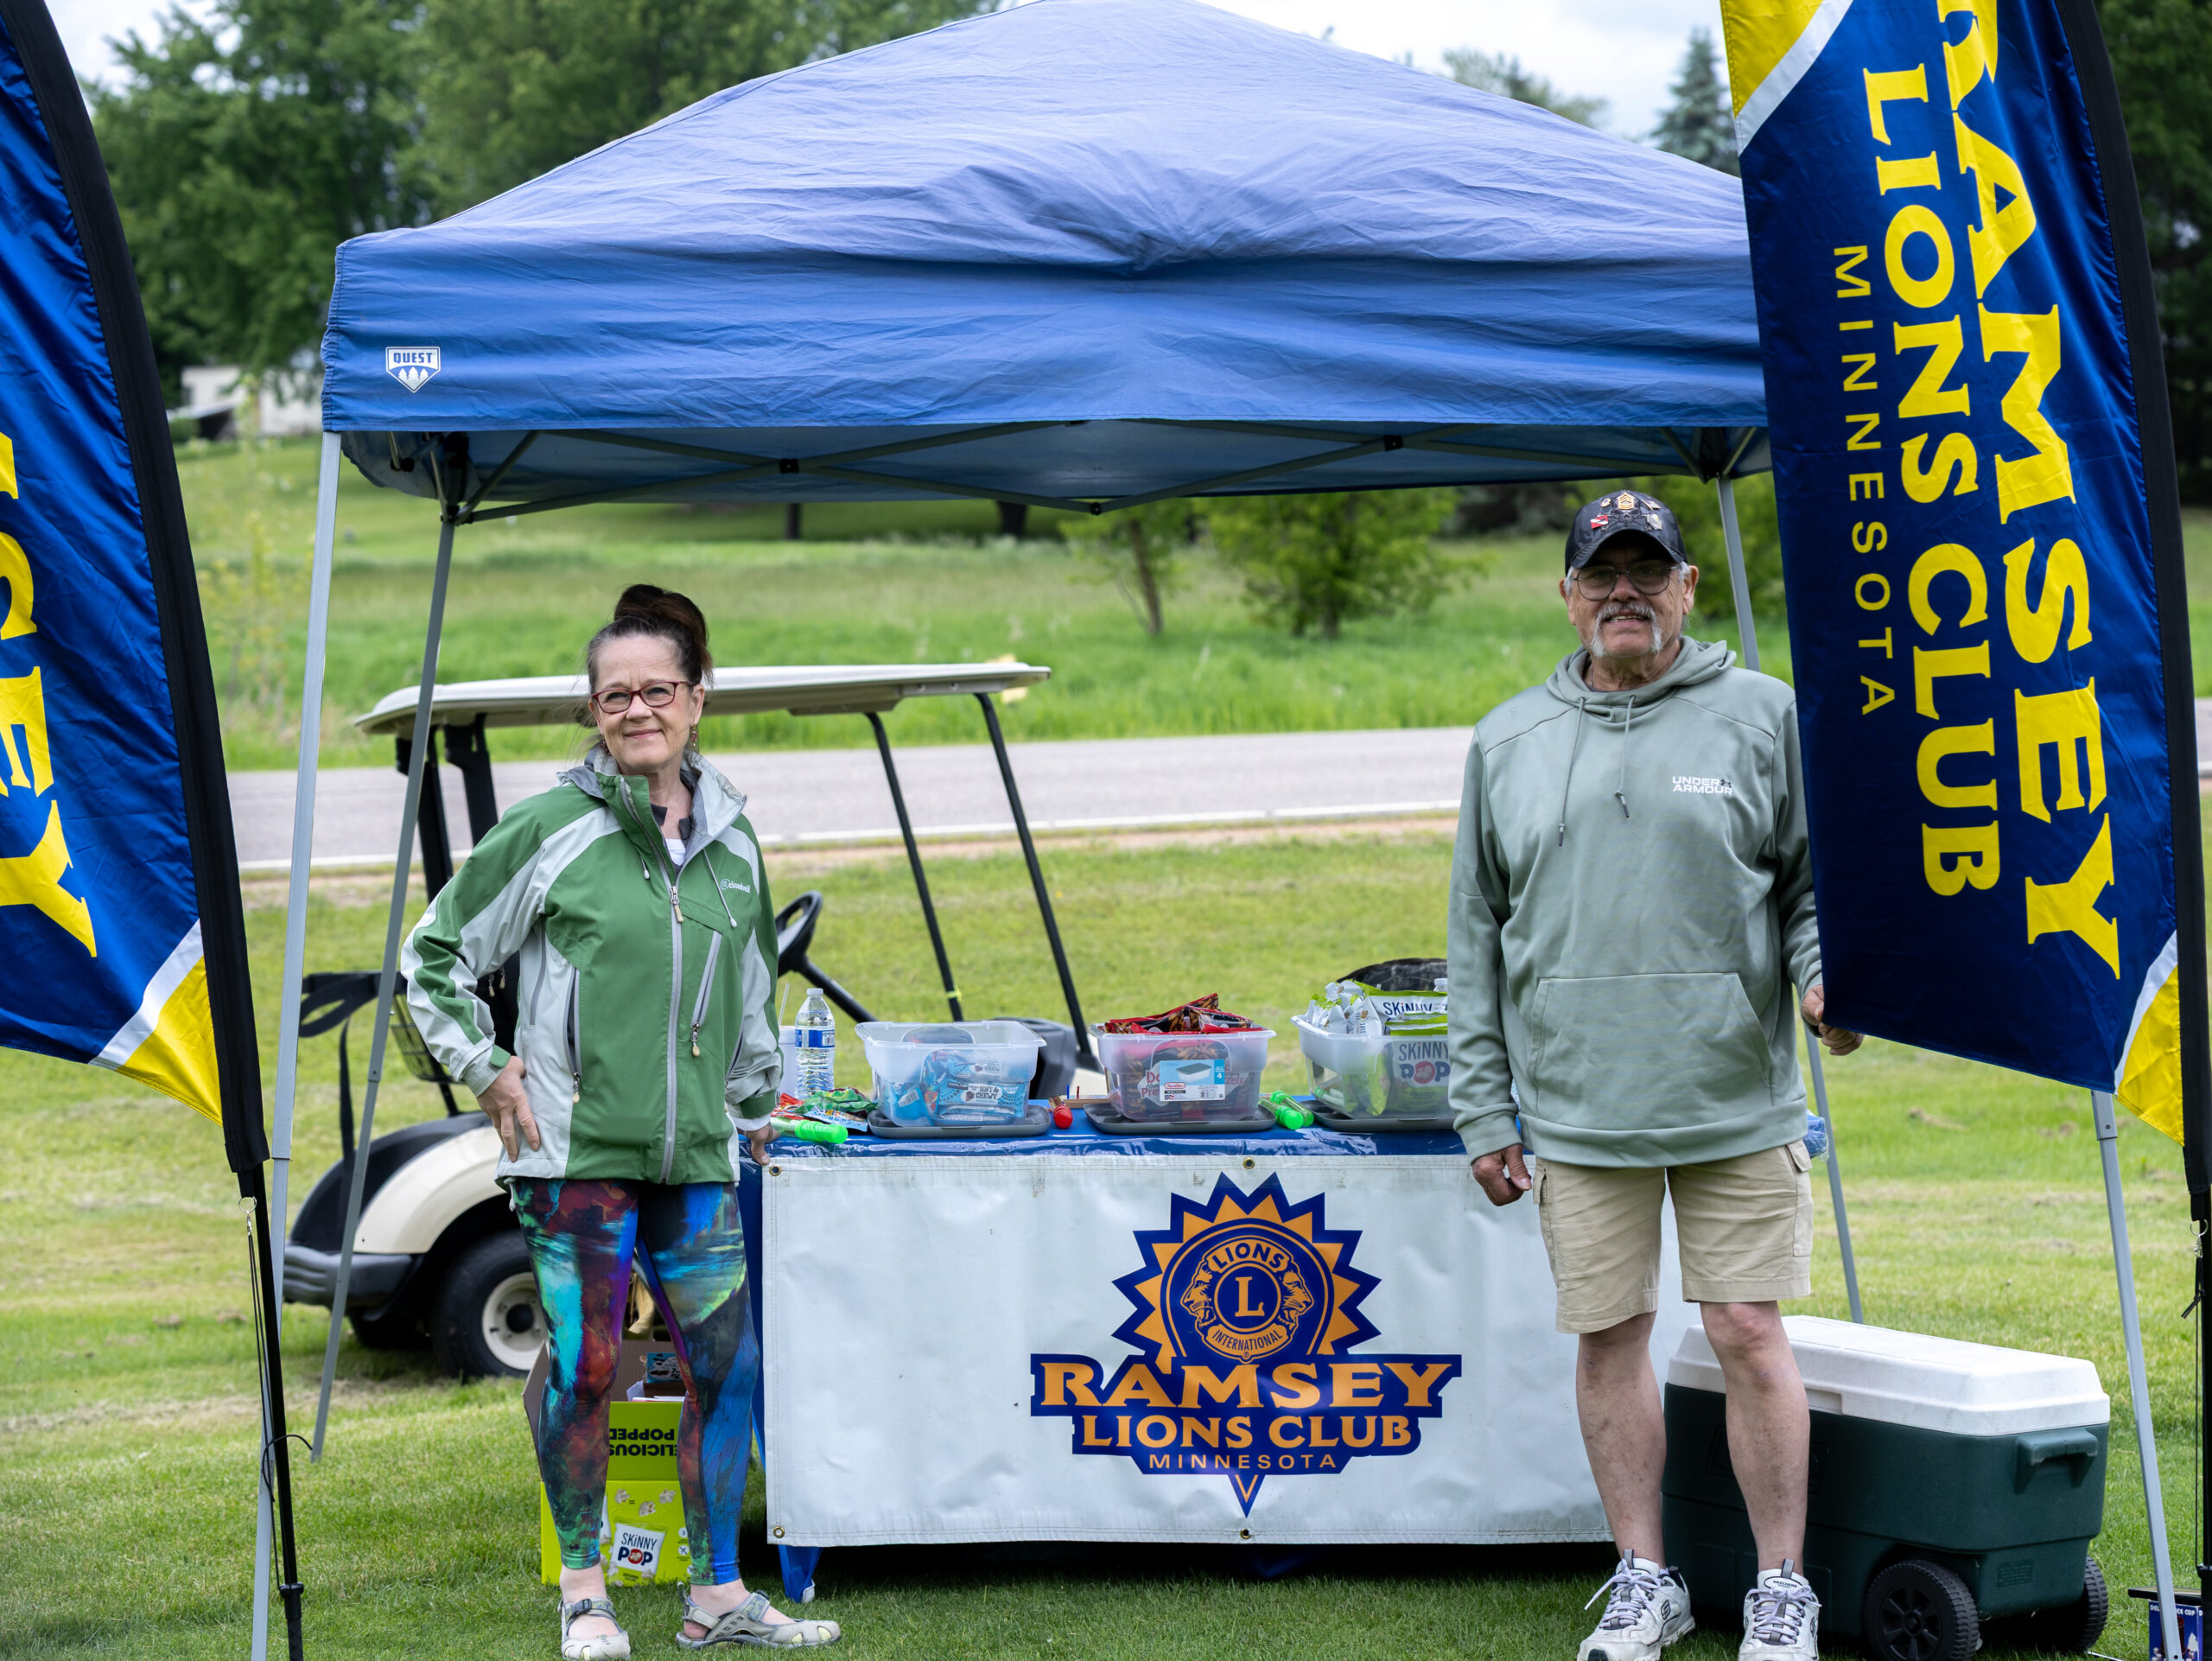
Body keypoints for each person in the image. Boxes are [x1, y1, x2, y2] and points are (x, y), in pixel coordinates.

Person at [1446, 492, 1860, 1661]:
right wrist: (1482, 1106)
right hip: (1579, 1105)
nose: (1622, 591)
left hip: (1735, 1095)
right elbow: (1475, 938)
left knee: (1746, 1328)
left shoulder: (1765, 715)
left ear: (1687, 587)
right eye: (1600, 573)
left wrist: (1825, 980)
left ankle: (1781, 1586)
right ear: (1567, 594)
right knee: (1610, 1334)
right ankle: (1645, 1576)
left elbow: (1811, 887)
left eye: (1647, 570)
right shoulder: (1506, 741)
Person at [404, 585, 840, 1658]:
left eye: (657, 689)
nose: (636, 708)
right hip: (573, 1156)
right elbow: (433, 955)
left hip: (695, 1155)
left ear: (697, 699)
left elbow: (750, 995)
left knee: (727, 1365)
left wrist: (757, 1107)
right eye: (614, 694)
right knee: (588, 1364)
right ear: (593, 709)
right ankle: (585, 1592)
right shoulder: (549, 828)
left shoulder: (735, 842)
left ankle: (716, 1593)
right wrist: (485, 1067)